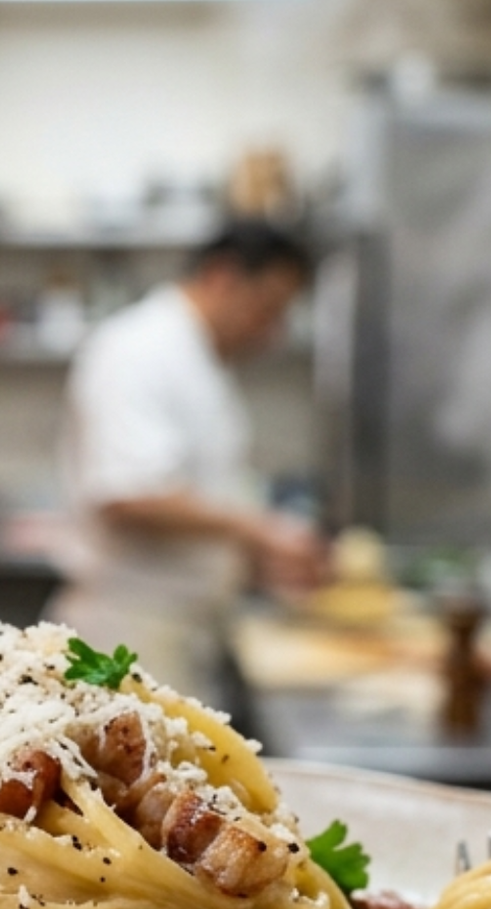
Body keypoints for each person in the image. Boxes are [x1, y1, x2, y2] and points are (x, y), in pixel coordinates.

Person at [48, 221, 328, 700]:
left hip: (179, 632)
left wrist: (254, 561)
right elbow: (128, 494)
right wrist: (261, 529)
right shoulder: (140, 348)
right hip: (130, 638)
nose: (272, 331)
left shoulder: (198, 358)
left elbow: (197, 494)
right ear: (223, 276)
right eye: (268, 308)